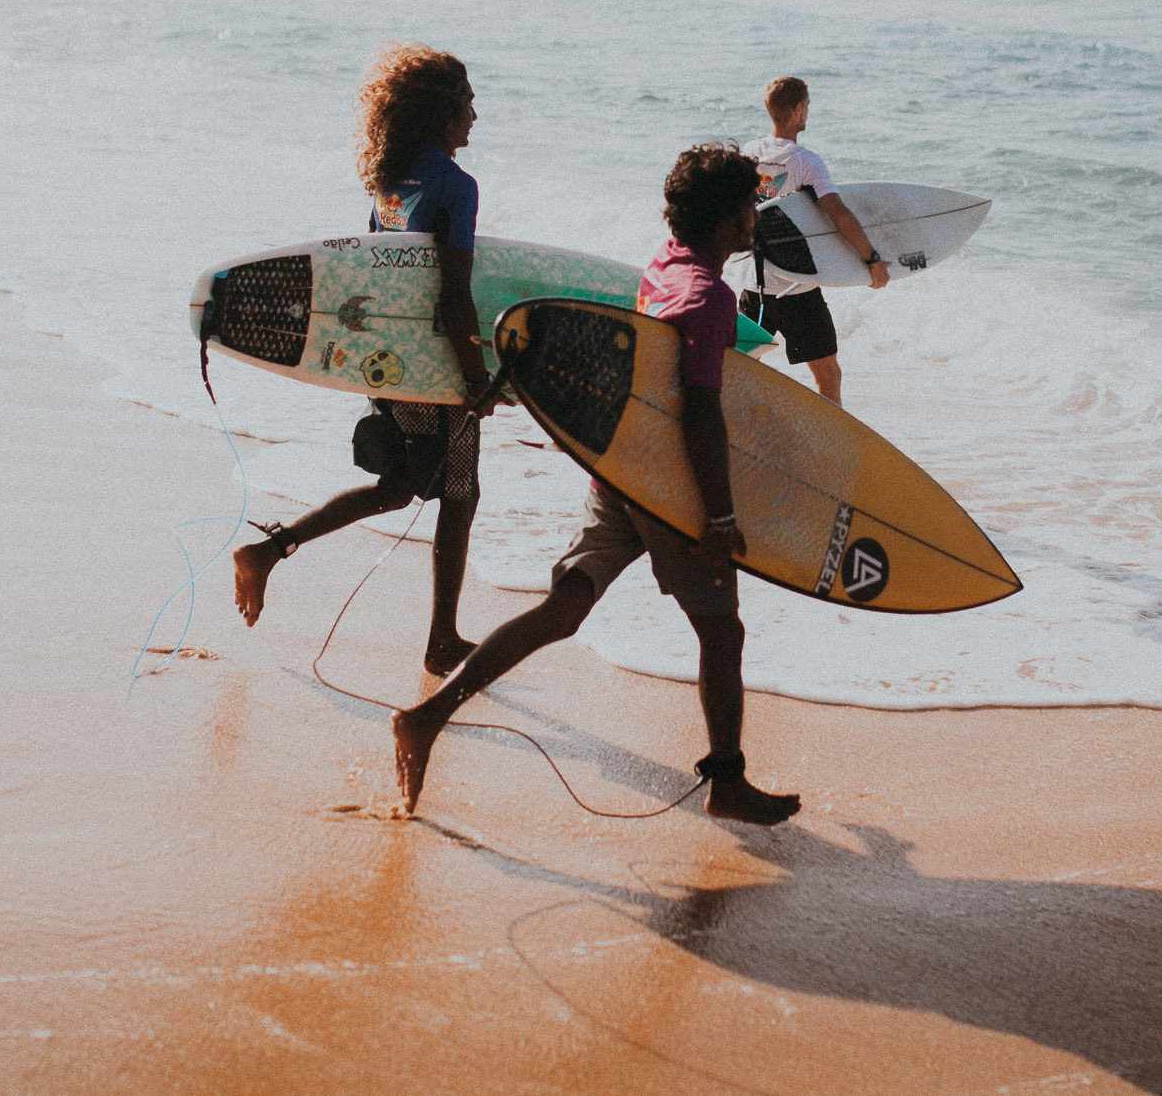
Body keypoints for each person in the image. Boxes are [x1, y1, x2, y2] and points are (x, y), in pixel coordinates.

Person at [391, 144, 803, 827]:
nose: (754, 216)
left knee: (563, 609)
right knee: (722, 632)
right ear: (731, 217)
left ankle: (427, 716)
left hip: (617, 469)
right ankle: (727, 780)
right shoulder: (710, 298)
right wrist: (720, 516)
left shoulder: (665, 265)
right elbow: (700, 411)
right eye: (750, 206)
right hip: (667, 489)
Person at [233, 42, 495, 677]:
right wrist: (476, 376)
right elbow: (453, 295)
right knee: (460, 495)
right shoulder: (456, 187)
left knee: (399, 487)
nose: (475, 116)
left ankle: (269, 551)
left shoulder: (390, 182)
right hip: (434, 368)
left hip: (388, 361)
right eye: (467, 103)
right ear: (441, 111)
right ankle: (441, 640)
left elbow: (379, 277)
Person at [744, 76, 887, 408]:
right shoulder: (806, 161)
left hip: (754, 284)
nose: (808, 112)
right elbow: (837, 213)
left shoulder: (748, 153)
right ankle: (830, 438)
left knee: (739, 367)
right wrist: (871, 259)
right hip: (797, 289)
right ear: (797, 110)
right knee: (828, 376)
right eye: (807, 106)